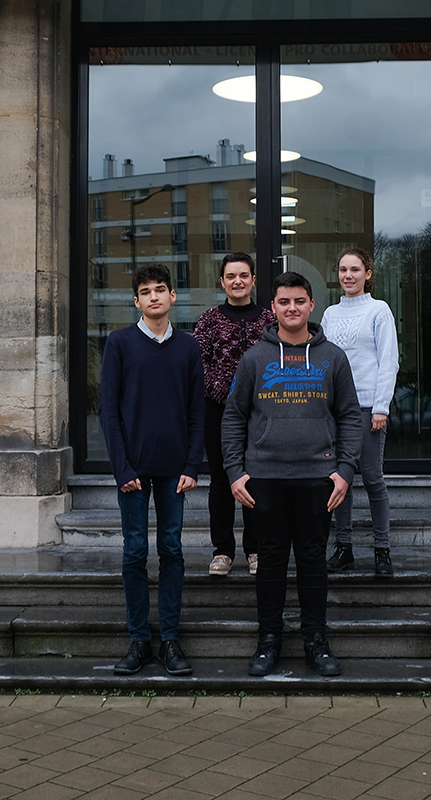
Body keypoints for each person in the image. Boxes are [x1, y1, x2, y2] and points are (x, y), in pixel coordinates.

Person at [223, 271, 363, 678]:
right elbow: (233, 417)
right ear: (273, 307)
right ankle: (268, 640)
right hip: (264, 479)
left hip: (318, 478)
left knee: (312, 560)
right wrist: (235, 471)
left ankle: (316, 641)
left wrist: (344, 472)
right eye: (284, 302)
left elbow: (350, 417)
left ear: (311, 305)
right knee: (269, 561)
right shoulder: (254, 359)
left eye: (299, 301)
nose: (292, 308)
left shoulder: (333, 357)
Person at [98, 262, 204, 677]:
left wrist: (193, 463)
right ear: (137, 301)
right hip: (134, 471)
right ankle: (139, 640)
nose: (155, 296)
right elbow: (109, 412)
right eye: (147, 291)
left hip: (175, 470)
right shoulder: (120, 343)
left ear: (172, 296)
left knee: (173, 551)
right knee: (135, 552)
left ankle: (171, 640)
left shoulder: (188, 347)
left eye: (161, 289)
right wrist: (121, 468)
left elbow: (197, 412)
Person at [192, 252, 276, 577]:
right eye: (231, 276)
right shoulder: (210, 320)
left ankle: (255, 549)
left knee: (256, 480)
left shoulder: (269, 320)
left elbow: (277, 361)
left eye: (243, 275)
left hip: (262, 414)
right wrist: (227, 396)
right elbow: (198, 365)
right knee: (221, 481)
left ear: (253, 280)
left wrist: (254, 399)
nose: (237, 281)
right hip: (219, 413)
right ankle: (223, 551)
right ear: (223, 281)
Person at [322, 248, 401, 577]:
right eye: (343, 269)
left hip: (368, 406)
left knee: (372, 478)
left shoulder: (379, 311)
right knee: (339, 479)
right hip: (335, 409)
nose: (348, 275)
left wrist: (381, 406)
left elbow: (389, 360)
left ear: (368, 273)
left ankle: (382, 549)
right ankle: (344, 547)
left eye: (355, 269)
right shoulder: (329, 314)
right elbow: (323, 363)